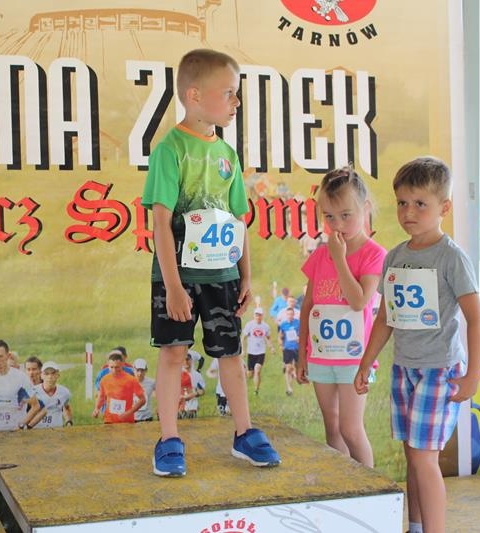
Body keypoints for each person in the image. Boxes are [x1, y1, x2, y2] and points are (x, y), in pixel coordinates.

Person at [141, 48, 280, 477]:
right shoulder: (170, 150)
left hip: (222, 274)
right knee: (173, 353)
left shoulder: (227, 155)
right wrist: (173, 286)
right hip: (178, 277)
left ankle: (244, 432)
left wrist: (246, 277)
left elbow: (239, 220)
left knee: (230, 353)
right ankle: (168, 439)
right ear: (195, 95)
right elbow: (160, 223)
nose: (236, 102)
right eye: (229, 93)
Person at [355, 156, 480, 533]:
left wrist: (473, 375)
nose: (409, 212)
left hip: (439, 370)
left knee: (425, 459)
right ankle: (414, 526)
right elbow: (385, 317)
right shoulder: (395, 257)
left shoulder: (451, 257)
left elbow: (475, 318)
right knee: (412, 456)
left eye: (420, 203)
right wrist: (367, 361)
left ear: (444, 207)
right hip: (404, 368)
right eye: (402, 202)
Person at [296, 166, 386, 467]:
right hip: (321, 356)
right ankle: (344, 487)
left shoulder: (373, 254)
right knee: (332, 427)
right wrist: (302, 354)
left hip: (354, 359)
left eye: (346, 215)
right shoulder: (320, 254)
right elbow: (308, 306)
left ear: (365, 209)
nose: (337, 224)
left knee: (350, 428)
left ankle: (372, 487)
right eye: (329, 217)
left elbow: (359, 301)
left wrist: (338, 257)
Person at [93, 352, 145, 424]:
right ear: (108, 365)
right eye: (111, 367)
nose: (114, 370)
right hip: (109, 420)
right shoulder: (104, 379)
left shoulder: (131, 380)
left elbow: (142, 400)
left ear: (122, 365)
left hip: (126, 421)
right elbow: (101, 397)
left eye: (117, 367)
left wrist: (129, 412)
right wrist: (97, 408)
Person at [32, 361, 73, 429]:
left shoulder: (65, 392)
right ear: (41, 376)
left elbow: (66, 407)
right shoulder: (33, 391)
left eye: (53, 373)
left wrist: (69, 422)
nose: (50, 377)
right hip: (36, 430)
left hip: (57, 430)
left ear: (58, 375)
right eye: (46, 374)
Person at [241, 308, 271, 395]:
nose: (258, 317)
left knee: (257, 370)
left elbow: (268, 338)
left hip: (261, 352)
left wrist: (271, 347)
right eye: (256, 315)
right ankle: (244, 371)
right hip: (251, 352)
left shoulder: (266, 326)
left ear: (262, 316)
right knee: (250, 374)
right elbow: (243, 338)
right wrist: (243, 350)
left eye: (259, 315)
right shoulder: (249, 325)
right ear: (254, 315)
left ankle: (256, 390)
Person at [278, 307, 300, 396]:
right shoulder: (283, 324)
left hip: (297, 348)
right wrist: (281, 345)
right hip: (287, 348)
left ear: (293, 314)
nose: (290, 316)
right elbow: (280, 336)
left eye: (291, 314)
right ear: (286, 315)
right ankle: (289, 388)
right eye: (288, 314)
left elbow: (303, 333)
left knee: (296, 366)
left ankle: (295, 374)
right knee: (288, 368)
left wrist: (299, 338)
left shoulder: (298, 323)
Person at [180, 353, 206, 419]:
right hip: (179, 407)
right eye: (183, 360)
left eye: (187, 359)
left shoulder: (197, 375)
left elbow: (202, 391)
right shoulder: (176, 374)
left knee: (191, 423)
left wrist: (193, 394)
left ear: (191, 360)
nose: (185, 362)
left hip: (192, 407)